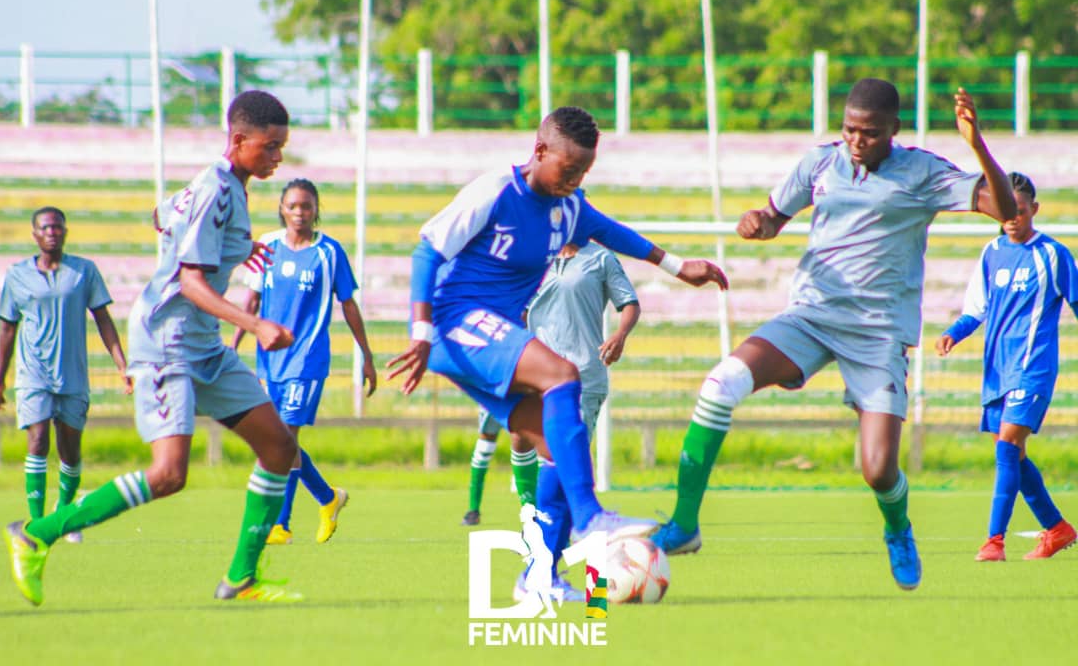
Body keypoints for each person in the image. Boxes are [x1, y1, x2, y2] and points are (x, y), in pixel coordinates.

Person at [650, 80, 1017, 592]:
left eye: (869, 133)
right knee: (720, 382)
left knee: (877, 470)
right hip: (811, 315)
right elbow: (774, 217)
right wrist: (758, 222)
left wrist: (977, 147)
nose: (856, 141)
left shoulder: (924, 172)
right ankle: (684, 524)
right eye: (849, 130)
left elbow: (1006, 211)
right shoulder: (819, 163)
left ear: (894, 130)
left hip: (877, 334)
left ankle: (898, 528)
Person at [4, 90, 303, 606]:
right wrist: (255, 324)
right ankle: (40, 534)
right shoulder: (217, 190)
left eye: (282, 146)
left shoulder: (222, 183)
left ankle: (241, 578)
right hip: (167, 342)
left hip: (202, 344)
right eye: (271, 146)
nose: (278, 156)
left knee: (279, 448)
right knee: (169, 475)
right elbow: (190, 283)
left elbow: (160, 216)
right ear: (239, 139)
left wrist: (235, 248)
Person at [387, 106, 727, 552]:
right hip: (455, 322)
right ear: (540, 150)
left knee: (562, 448)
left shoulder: (570, 206)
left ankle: (540, 576)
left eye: (584, 171)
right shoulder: (495, 190)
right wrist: (421, 331)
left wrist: (679, 268)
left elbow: (613, 232)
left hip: (491, 332)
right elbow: (426, 253)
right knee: (563, 374)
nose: (576, 180)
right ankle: (590, 518)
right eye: (569, 169)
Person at [935, 173, 1078, 562]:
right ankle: (1057, 529)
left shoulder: (1053, 255)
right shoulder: (991, 252)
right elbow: (976, 309)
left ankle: (994, 541)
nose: (1012, 218)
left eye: (1019, 210)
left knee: (1007, 445)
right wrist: (953, 333)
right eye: (1004, 211)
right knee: (1011, 454)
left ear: (1034, 209)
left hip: (1033, 366)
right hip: (997, 368)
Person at [233, 177, 377, 546]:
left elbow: (348, 304)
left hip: (308, 359)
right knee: (278, 439)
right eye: (293, 206)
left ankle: (280, 524)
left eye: (307, 206)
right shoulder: (265, 246)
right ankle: (329, 499)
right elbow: (250, 303)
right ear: (282, 208)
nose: (299, 213)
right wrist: (232, 347)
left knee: (284, 437)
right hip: (269, 361)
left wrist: (366, 356)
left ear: (316, 210)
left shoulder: (329, 252)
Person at [461, 241, 639, 532]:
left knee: (565, 456)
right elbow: (516, 309)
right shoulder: (534, 258)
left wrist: (620, 335)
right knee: (520, 436)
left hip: (582, 374)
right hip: (537, 370)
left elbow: (629, 302)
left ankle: (570, 533)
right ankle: (532, 518)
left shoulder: (601, 258)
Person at [0, 207, 133, 545]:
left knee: (70, 451)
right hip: (33, 376)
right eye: (45, 227)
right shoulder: (16, 276)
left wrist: (121, 364)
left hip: (72, 375)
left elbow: (103, 318)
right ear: (35, 235)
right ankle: (38, 523)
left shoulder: (84, 272)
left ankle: (66, 514)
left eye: (57, 227)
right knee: (38, 440)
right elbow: (6, 330)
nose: (52, 232)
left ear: (66, 232)